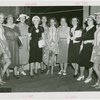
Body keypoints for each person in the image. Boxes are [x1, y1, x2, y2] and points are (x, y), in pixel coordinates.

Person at [77, 15, 96, 83]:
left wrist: (88, 41)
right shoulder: (85, 28)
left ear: (93, 21)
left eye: (90, 20)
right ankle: (82, 75)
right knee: (81, 61)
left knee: (89, 63)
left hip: (91, 47)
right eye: (88, 20)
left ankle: (89, 77)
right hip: (84, 47)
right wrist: (81, 45)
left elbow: (97, 40)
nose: (89, 21)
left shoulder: (95, 28)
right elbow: (82, 38)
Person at [4, 15, 22, 79]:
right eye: (9, 18)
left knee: (15, 58)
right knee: (7, 59)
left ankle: (15, 73)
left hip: (15, 44)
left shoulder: (16, 27)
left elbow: (19, 37)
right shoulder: (3, 27)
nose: (10, 20)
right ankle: (7, 74)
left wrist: (20, 44)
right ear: (6, 19)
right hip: (7, 44)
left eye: (11, 19)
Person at [0, 13, 11, 85]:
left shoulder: (1, 26)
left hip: (4, 45)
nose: (1, 19)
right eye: (0, 18)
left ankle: (0, 79)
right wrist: (3, 49)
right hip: (1, 46)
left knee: (3, 63)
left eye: (2, 18)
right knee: (8, 62)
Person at [91, 12, 100, 89]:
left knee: (95, 67)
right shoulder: (98, 27)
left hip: (99, 49)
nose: (97, 19)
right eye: (96, 18)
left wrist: (98, 51)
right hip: (96, 48)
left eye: (99, 18)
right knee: (98, 67)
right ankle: (98, 83)